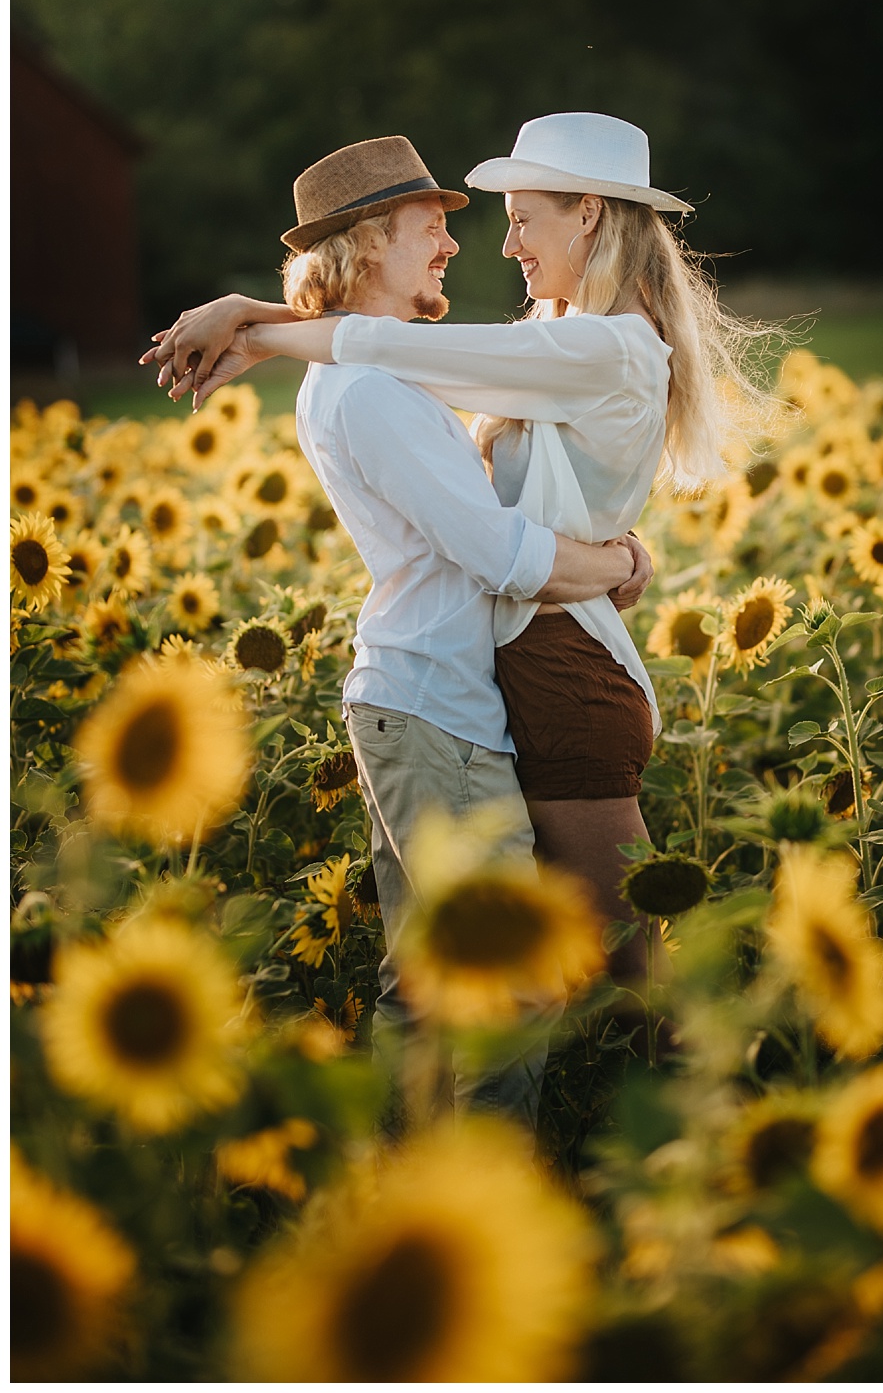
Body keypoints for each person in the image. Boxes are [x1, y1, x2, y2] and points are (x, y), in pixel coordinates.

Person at [152, 117, 775, 1010]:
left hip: (561, 675)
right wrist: (257, 322)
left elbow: (396, 349)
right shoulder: (568, 341)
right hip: (525, 668)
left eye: (524, 219)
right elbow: (399, 349)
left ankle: (694, 1133)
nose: (503, 241)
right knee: (535, 978)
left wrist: (248, 322)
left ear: (590, 215)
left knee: (632, 981)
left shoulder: (601, 347)